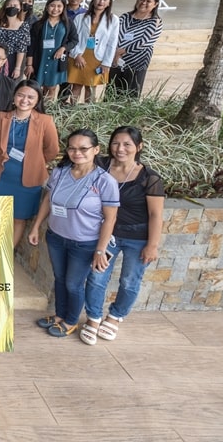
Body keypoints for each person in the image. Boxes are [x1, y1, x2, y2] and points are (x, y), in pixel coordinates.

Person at [29, 129, 119, 338]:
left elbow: (110, 218)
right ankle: (60, 315)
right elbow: (48, 200)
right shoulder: (60, 172)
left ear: (96, 150)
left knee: (73, 283)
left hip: (84, 243)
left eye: (83, 148)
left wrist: (100, 250)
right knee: (59, 278)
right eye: (72, 148)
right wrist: (36, 226)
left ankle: (70, 321)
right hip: (57, 237)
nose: (77, 152)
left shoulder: (105, 181)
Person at [82, 126, 164, 344]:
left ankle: (116, 316)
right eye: (116, 143)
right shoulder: (99, 166)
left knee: (129, 280)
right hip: (106, 235)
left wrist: (152, 245)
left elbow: (156, 215)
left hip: (137, 238)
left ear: (139, 147)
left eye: (127, 144)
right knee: (97, 276)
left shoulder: (150, 179)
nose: (120, 149)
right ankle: (93, 317)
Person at [0, 80, 60, 245]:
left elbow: (52, 150)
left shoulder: (45, 121)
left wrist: (35, 161)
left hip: (28, 179)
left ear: (37, 100)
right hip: (0, 176)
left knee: (18, 219)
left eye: (30, 97)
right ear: (14, 97)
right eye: (21, 95)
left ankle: (5, 256)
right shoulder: (0, 117)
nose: (24, 100)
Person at [68, 0, 119, 104]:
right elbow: (72, 38)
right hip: (80, 55)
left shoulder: (113, 20)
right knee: (76, 86)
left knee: (91, 87)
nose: (101, 1)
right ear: (93, 0)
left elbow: (112, 43)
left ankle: (88, 112)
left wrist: (106, 63)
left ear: (109, 2)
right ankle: (72, 110)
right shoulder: (80, 17)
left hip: (97, 58)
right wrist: (76, 55)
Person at [109, 0, 163, 98]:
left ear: (155, 4)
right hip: (116, 60)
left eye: (148, 1)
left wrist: (122, 51)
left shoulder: (155, 21)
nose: (144, 3)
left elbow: (144, 41)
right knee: (112, 90)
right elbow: (114, 34)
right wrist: (115, 52)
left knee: (130, 92)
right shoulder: (125, 17)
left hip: (137, 61)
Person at [28, 0, 77, 102]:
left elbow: (74, 40)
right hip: (40, 61)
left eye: (59, 6)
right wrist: (29, 64)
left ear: (63, 7)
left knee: (51, 88)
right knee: (36, 88)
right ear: (47, 7)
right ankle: (37, 109)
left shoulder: (68, 23)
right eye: (52, 5)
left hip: (56, 61)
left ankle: (47, 110)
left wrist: (63, 48)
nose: (55, 9)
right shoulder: (38, 24)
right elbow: (31, 45)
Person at [0, 0, 32, 80]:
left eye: (15, 6)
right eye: (9, 5)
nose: (12, 7)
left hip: (13, 59)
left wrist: (17, 68)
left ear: (20, 8)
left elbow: (22, 48)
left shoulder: (23, 25)